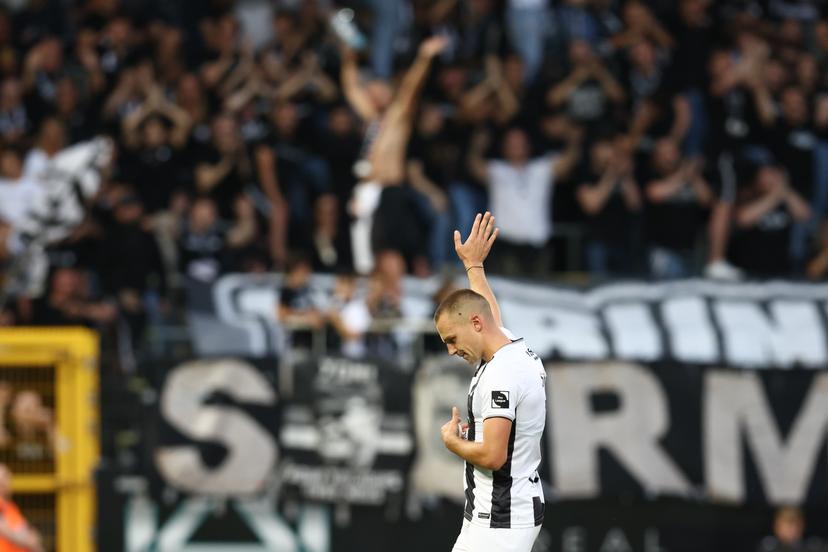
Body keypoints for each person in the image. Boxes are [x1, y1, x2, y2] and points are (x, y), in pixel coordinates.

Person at [435, 212, 546, 552]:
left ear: (475, 324)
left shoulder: (502, 375)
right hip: (491, 512)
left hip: (501, 520)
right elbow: (488, 312)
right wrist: (474, 266)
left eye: (452, 339)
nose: (452, 350)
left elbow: (494, 455)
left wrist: (453, 443)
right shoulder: (504, 344)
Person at [0, 463, 43, 552]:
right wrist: (28, 540)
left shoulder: (10, 507)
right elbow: (6, 530)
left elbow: (25, 530)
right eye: (7, 478)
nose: (10, 483)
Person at [756, 506, 824, 552]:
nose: (790, 530)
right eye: (786, 526)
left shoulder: (814, 548)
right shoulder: (768, 549)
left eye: (793, 525)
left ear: (801, 526)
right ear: (776, 527)